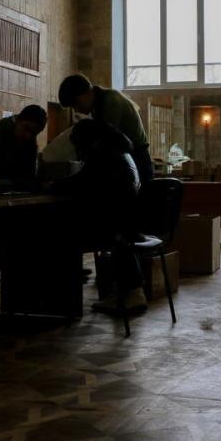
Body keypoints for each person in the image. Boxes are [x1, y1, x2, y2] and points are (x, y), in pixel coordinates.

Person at [51, 118, 145, 312]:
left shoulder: (103, 154)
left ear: (88, 140)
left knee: (57, 232)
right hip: (127, 225)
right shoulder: (122, 151)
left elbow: (83, 180)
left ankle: (61, 298)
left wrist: (53, 185)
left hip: (114, 228)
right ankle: (127, 293)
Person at [58, 74, 153, 181]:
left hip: (137, 158)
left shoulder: (111, 101)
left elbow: (107, 145)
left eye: (77, 103)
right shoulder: (98, 106)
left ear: (87, 92)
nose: (76, 110)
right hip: (127, 157)